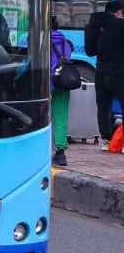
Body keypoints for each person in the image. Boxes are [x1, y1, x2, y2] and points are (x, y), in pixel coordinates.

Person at [85, 0, 124, 147]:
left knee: (103, 107)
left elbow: (90, 52)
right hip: (120, 72)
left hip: (101, 72)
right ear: (119, 12)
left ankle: (108, 140)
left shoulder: (92, 25)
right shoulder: (121, 24)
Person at [51, 21, 74, 167]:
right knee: (61, 117)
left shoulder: (38, 40)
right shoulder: (66, 42)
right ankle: (60, 153)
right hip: (62, 84)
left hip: (43, 85)